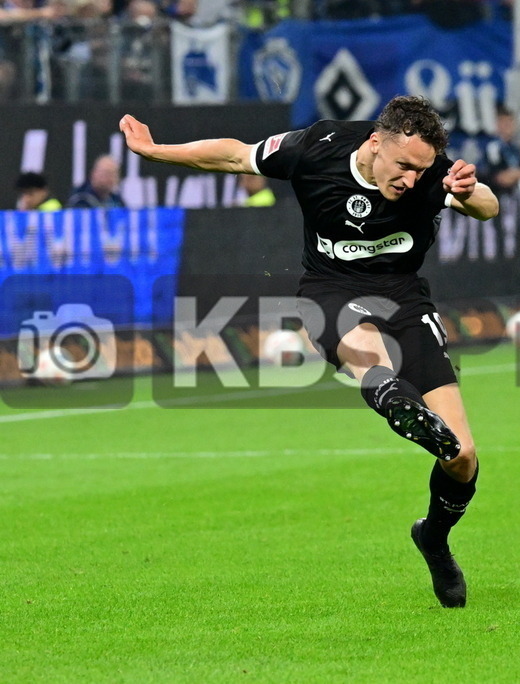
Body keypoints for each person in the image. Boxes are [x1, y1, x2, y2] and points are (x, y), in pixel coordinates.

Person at [119, 95, 499, 609]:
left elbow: (488, 208)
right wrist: (156, 150)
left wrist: (469, 191)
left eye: (421, 170)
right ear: (374, 142)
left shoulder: (433, 174)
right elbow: (236, 155)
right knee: (369, 355)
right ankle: (391, 398)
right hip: (331, 292)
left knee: (463, 458)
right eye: (403, 166)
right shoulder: (317, 147)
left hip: (405, 299)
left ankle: (432, 538)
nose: (411, 179)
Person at [483, 105, 520, 192]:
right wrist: (518, 174)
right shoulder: (493, 148)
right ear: (498, 125)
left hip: (518, 195)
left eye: (510, 122)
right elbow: (501, 178)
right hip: (498, 195)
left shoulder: (518, 147)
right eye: (505, 123)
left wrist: (516, 175)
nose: (508, 126)